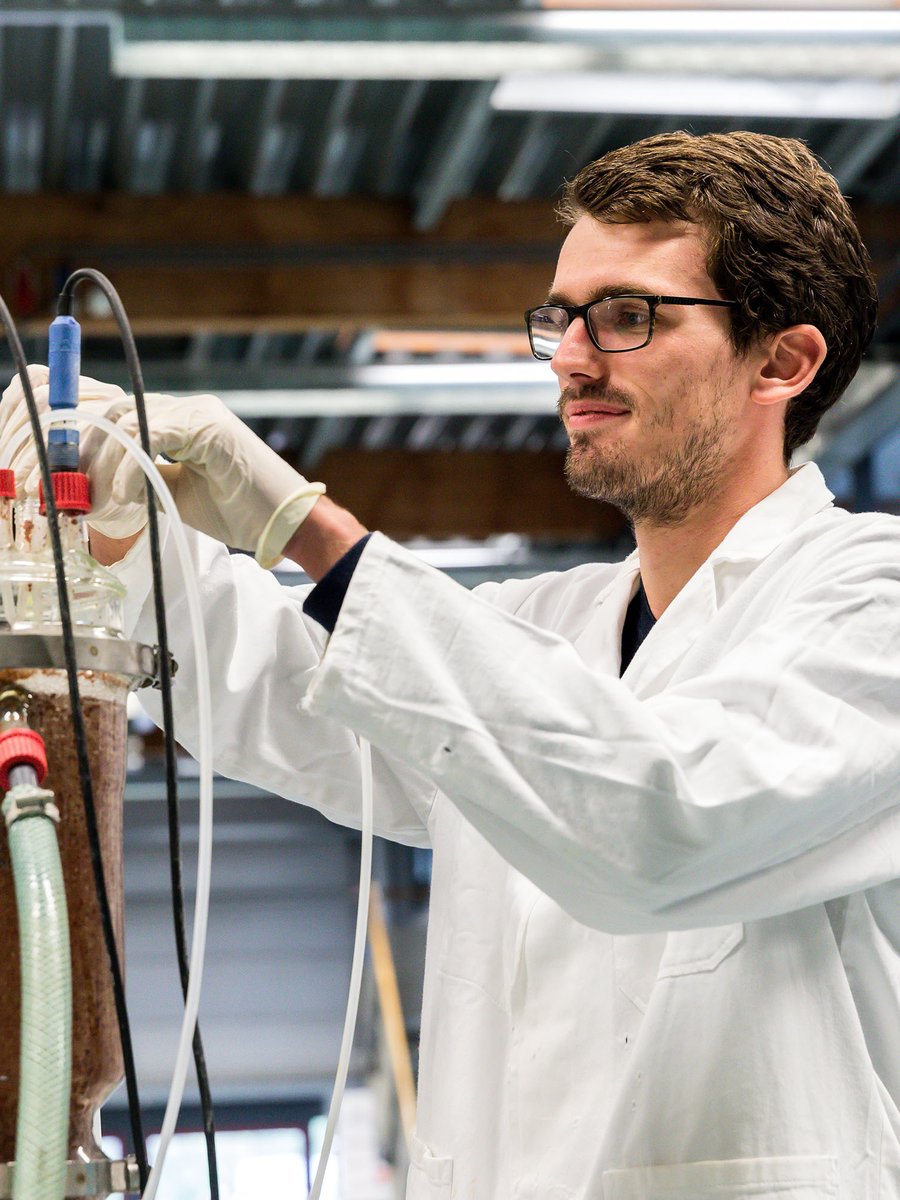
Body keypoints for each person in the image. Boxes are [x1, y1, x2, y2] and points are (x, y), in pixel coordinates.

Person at [2, 130, 899, 1200]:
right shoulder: (543, 626)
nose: (571, 359)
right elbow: (299, 692)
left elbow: (664, 823)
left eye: (628, 315)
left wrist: (310, 531)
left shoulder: (869, 604)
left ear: (782, 363)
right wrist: (125, 537)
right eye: (560, 319)